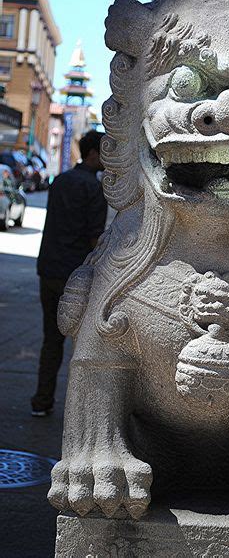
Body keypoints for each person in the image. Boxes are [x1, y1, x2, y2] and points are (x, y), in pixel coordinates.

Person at [31, 131, 107, 417]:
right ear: (92, 154)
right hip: (74, 276)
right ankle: (79, 413)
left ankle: (42, 401)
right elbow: (94, 238)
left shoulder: (60, 181)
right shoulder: (94, 189)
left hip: (49, 269)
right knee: (83, 344)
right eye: (104, 153)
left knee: (51, 339)